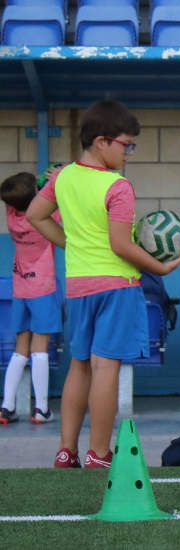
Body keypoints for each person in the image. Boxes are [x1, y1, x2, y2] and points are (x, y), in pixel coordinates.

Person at [27, 99, 180, 468]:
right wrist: (159, 270)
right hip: (116, 286)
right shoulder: (118, 187)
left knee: (79, 365)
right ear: (102, 141)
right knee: (106, 367)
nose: (129, 153)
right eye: (125, 145)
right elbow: (121, 244)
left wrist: (72, 243)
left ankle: (66, 451)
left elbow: (36, 215)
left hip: (79, 286)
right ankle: (99, 453)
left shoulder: (63, 176)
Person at [0, 172, 62, 425]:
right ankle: (41, 409)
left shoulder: (12, 217)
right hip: (42, 288)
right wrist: (55, 177)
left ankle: (7, 406)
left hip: (20, 288)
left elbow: (18, 198)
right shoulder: (44, 220)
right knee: (40, 348)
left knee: (20, 349)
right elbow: (57, 199)